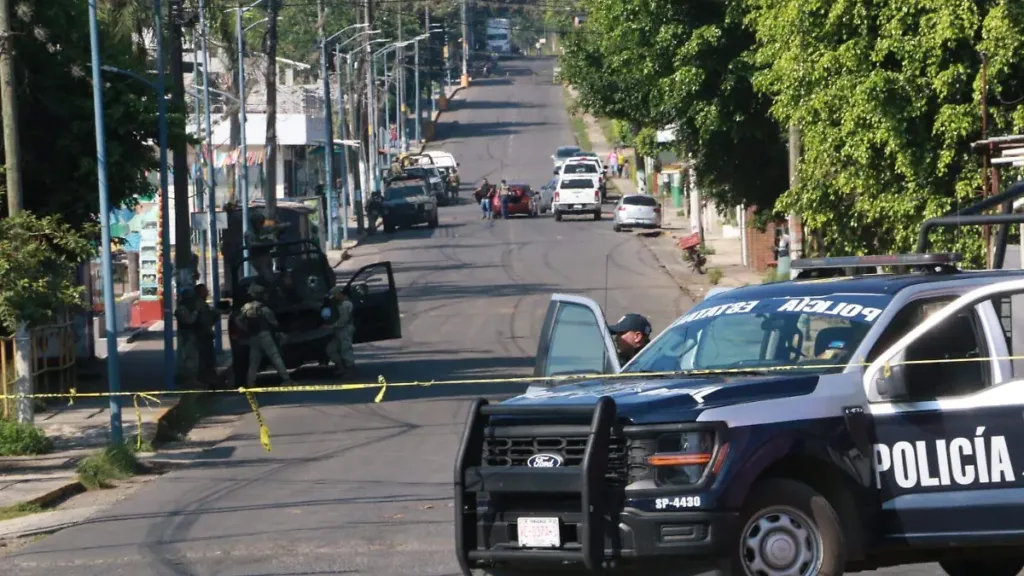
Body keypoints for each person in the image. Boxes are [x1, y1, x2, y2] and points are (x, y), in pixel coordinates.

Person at [237, 282, 294, 386]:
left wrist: (246, 329)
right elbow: (274, 322)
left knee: (254, 361)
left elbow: (238, 320)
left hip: (253, 337)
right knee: (275, 356)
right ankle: (286, 379)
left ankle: (250, 382)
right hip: (265, 335)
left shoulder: (246, 307)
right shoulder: (263, 308)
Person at [193, 284, 223, 386]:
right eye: (205, 290)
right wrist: (215, 315)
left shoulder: (201, 303)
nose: (207, 292)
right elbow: (207, 320)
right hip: (203, 335)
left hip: (203, 334)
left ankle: (207, 377)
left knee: (206, 357)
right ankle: (208, 378)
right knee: (207, 358)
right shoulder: (200, 304)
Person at [324, 285, 356, 376]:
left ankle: (350, 369)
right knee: (331, 349)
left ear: (339, 294)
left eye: (335, 295)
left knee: (346, 349)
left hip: (345, 329)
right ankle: (341, 366)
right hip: (339, 331)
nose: (334, 297)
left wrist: (331, 326)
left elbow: (343, 320)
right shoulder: (340, 304)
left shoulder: (346, 304)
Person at [174, 286, 201, 386]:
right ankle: (190, 380)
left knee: (194, 357)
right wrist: (196, 311)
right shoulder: (182, 309)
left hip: (191, 336)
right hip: (187, 336)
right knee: (190, 358)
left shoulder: (186, 308)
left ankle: (193, 379)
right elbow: (189, 320)